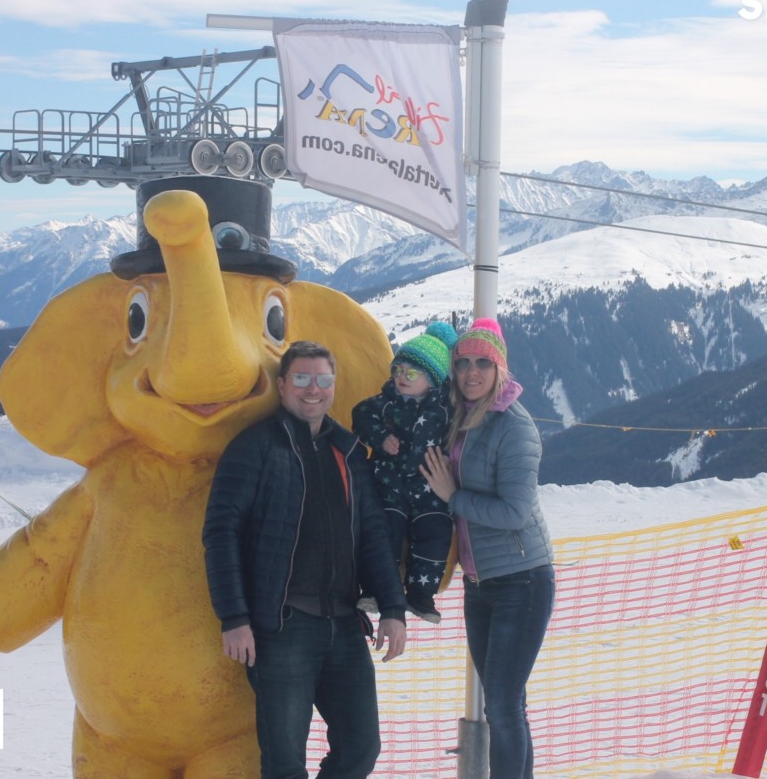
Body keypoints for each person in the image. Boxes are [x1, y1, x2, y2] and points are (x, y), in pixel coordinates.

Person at [203, 340, 408, 778]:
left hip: (344, 625)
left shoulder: (348, 452)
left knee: (361, 748)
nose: (313, 389)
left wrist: (393, 608)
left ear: (333, 386)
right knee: (285, 763)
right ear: (282, 385)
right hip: (281, 629)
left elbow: (373, 535)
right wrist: (234, 617)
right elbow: (221, 534)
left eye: (322, 380)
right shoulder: (254, 447)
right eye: (301, 378)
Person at [420, 317, 554, 779]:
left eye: (483, 363)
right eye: (463, 363)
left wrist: (452, 497)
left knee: (501, 704)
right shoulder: (462, 416)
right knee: (506, 703)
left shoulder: (514, 426)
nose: (471, 372)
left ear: (500, 369)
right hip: (480, 584)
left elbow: (515, 512)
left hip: (522, 580)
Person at [351, 321, 457, 623]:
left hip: (429, 486)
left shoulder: (445, 409)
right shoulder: (385, 402)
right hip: (390, 482)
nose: (401, 377)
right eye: (397, 370)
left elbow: (464, 434)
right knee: (385, 531)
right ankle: (376, 588)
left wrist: (452, 461)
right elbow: (360, 415)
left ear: (432, 379)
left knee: (435, 532)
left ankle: (422, 594)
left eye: (411, 373)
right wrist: (380, 438)